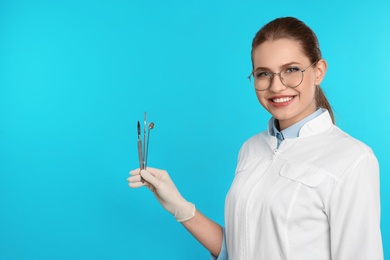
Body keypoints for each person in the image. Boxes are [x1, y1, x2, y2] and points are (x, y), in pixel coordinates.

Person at [128, 17, 383, 259]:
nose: (276, 86)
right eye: (264, 73)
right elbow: (239, 249)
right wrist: (180, 207)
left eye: (291, 70)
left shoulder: (352, 160)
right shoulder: (251, 148)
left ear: (318, 71)